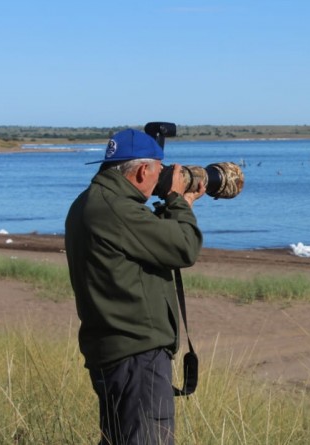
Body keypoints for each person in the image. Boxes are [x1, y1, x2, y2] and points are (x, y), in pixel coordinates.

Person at [65, 128, 205, 444]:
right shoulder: (117, 210)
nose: (160, 180)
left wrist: (174, 204)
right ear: (142, 170)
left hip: (115, 351)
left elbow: (146, 242)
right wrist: (177, 200)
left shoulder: (89, 203)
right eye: (158, 172)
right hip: (137, 354)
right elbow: (185, 247)